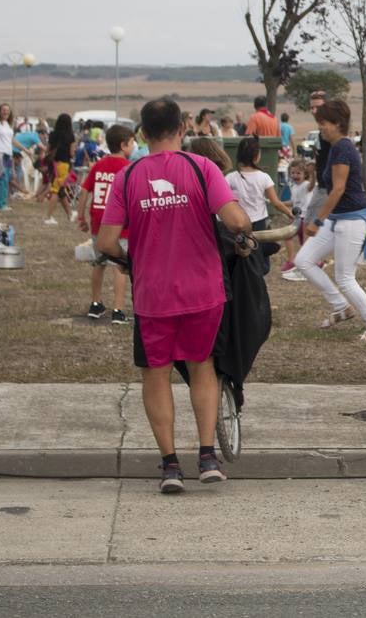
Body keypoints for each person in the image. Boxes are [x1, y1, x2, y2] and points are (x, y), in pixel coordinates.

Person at [96, 97, 253, 494]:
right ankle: (206, 457)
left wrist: (127, 258)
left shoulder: (128, 178)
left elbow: (106, 240)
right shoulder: (201, 168)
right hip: (204, 291)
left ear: (143, 134)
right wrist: (245, 229)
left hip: (153, 295)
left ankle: (169, 465)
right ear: (182, 128)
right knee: (202, 367)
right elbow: (234, 220)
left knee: (156, 374)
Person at [294, 100, 366, 343]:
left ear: (337, 123)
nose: (321, 128)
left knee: (345, 277)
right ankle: (342, 307)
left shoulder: (343, 148)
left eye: (323, 123)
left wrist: (316, 221)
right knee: (303, 260)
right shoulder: (335, 147)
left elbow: (337, 190)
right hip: (337, 220)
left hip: (352, 220)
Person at [77, 124, 136, 324]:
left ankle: (95, 303)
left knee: (99, 262)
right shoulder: (128, 168)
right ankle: (118, 309)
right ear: (123, 145)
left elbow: (84, 190)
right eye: (132, 142)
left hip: (98, 222)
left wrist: (81, 216)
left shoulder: (98, 165)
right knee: (119, 265)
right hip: (121, 225)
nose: (134, 145)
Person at [225, 135, 290, 235]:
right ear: (256, 156)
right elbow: (276, 203)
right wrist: (289, 213)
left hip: (238, 222)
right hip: (259, 222)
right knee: (257, 247)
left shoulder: (230, 177)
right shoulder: (264, 177)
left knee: (241, 248)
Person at [42, 113, 77, 225]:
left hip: (53, 164)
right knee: (56, 190)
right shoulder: (70, 136)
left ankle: (70, 214)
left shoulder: (52, 134)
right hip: (63, 165)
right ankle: (48, 217)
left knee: (61, 191)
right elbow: (71, 153)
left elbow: (47, 149)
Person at [280, 160, 314, 273]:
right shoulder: (293, 187)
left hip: (306, 218)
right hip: (297, 218)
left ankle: (313, 263)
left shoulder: (307, 185)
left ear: (305, 174)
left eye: (298, 173)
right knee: (288, 236)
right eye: (293, 173)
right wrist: (280, 203)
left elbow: (312, 184)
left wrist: (313, 173)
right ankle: (291, 261)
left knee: (304, 243)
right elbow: (294, 202)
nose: (295, 175)